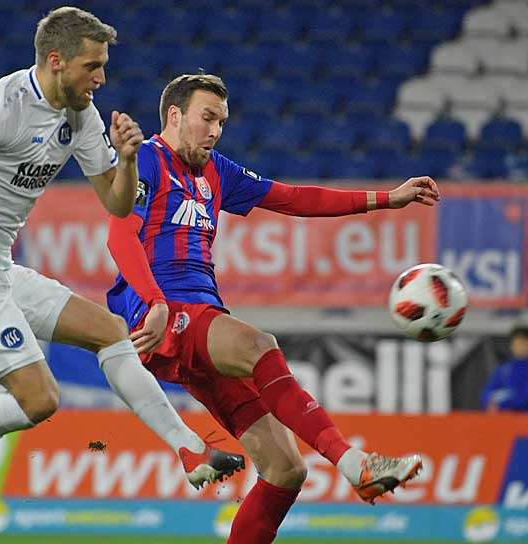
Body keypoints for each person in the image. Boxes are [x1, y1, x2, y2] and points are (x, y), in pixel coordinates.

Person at [0, 8, 243, 516]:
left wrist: (127, 161)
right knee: (40, 399)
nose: (101, 78)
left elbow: (118, 203)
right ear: (57, 61)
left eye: (103, 66)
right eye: (92, 66)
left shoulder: (81, 117)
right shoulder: (1, 106)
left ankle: (188, 448)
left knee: (110, 330)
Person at [106, 73, 437, 544]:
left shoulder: (216, 170)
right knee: (259, 344)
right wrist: (156, 302)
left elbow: (293, 198)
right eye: (207, 118)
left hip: (199, 325)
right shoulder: (148, 162)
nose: (216, 130)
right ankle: (353, 461)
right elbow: (118, 235)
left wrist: (386, 199)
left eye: (221, 121)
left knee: (285, 470)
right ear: (175, 116)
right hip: (160, 313)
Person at [481, 324, 528, 412]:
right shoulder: (504, 369)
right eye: (519, 343)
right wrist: (492, 402)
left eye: (526, 343)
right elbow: (486, 395)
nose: (522, 347)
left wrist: (503, 400)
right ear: (511, 346)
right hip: (504, 420)